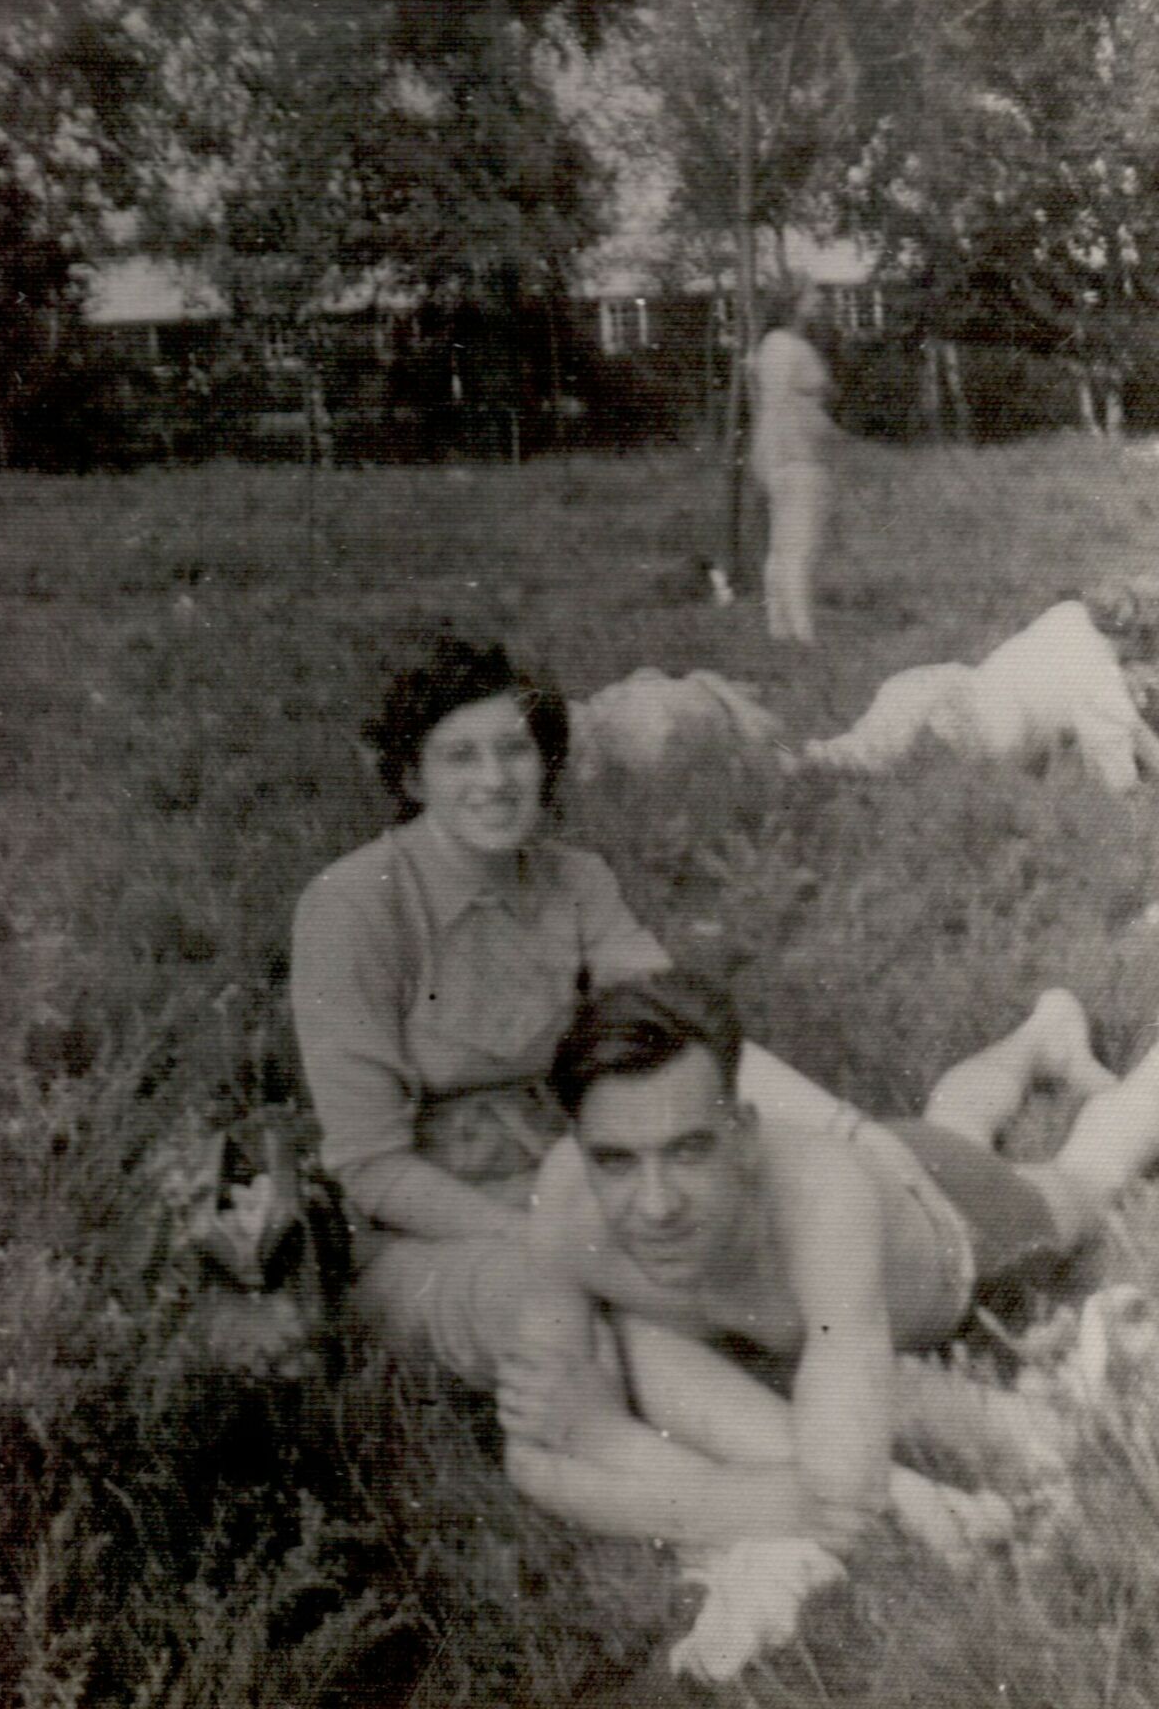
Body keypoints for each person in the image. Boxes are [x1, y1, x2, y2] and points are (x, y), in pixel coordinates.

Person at [290, 631, 848, 1388]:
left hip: (584, 1179)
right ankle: (842, 1428)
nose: (495, 780)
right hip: (429, 1234)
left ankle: (846, 1392)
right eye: (460, 757)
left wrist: (845, 1134)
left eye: (515, 750)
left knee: (776, 1233)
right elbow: (372, 1166)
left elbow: (674, 1027)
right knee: (573, 1317)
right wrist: (553, 1243)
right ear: (413, 777)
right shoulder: (353, 908)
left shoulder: (575, 880)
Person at [501, 970, 1146, 1576]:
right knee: (955, 1123)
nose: (656, 1205)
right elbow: (535, 1455)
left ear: (745, 1134)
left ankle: (1052, 1045)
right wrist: (583, 1442)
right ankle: (1041, 1035)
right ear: (581, 1150)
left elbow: (843, 1499)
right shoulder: (564, 1201)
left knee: (1085, 1180)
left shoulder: (823, 1202)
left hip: (950, 1220)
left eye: (689, 1150)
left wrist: (604, 1438)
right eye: (615, 1161)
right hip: (849, 1229)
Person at [750, 282, 837, 646]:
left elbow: (770, 403)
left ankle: (779, 627)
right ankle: (805, 632)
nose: (820, 305)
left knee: (780, 545)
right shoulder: (796, 349)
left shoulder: (767, 347)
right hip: (802, 453)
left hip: (772, 454)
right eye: (811, 299)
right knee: (802, 546)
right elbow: (800, 404)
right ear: (792, 306)